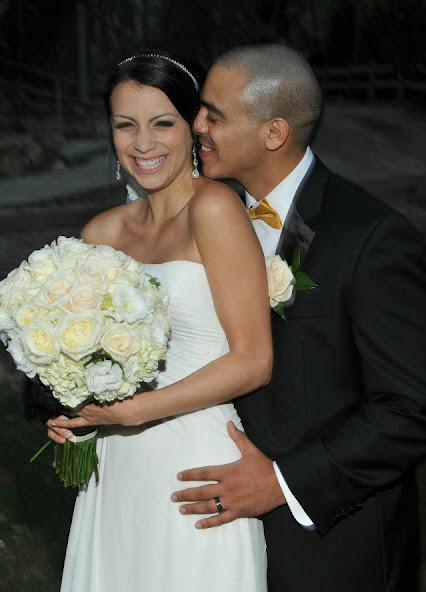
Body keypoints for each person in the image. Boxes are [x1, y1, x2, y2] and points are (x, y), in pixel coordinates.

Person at [170, 44, 426, 591]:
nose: (196, 126)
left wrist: (282, 484)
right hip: (217, 539)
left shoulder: (372, 239)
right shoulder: (209, 219)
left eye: (215, 115)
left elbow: (410, 409)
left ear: (274, 133)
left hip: (331, 550)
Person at [47, 50, 272, 592]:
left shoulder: (214, 209)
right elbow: (83, 359)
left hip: (195, 470)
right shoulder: (100, 233)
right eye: (126, 125)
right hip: (113, 473)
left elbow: (253, 360)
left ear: (193, 127)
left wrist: (133, 411)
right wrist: (74, 415)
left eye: (162, 123)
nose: (143, 143)